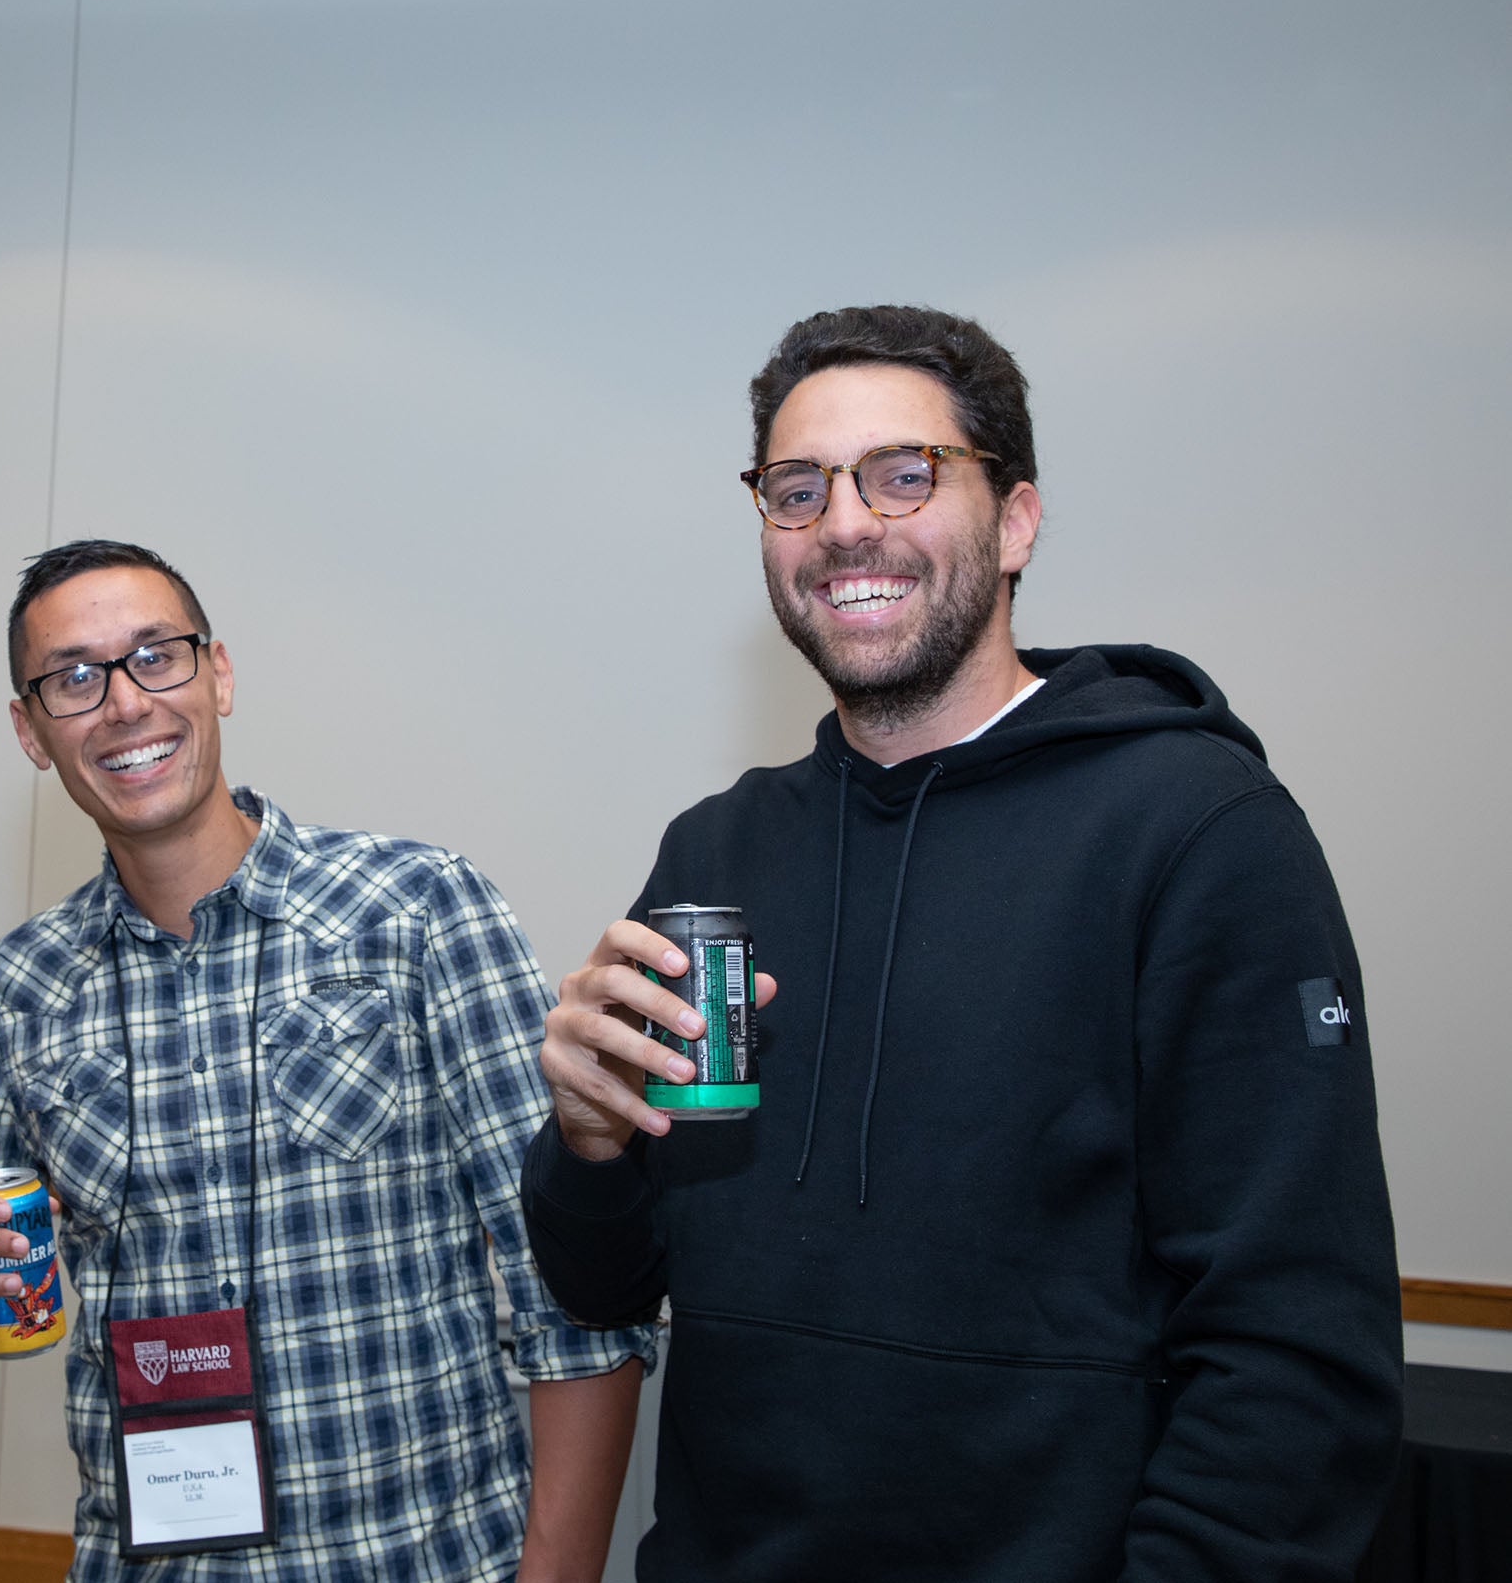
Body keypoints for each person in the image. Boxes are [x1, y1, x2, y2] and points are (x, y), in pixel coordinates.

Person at [524, 305, 1402, 1582]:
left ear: (1020, 520)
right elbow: (608, 1282)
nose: (843, 525)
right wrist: (591, 1143)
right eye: (796, 487)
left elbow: (1295, 1357)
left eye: (903, 473)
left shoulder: (1199, 830)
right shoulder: (715, 853)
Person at [0, 539, 649, 1581]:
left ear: (218, 674)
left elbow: (572, 1292)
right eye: (74, 677)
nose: (125, 702)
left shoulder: (416, 908)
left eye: (158, 655)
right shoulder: (20, 986)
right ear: (31, 730)